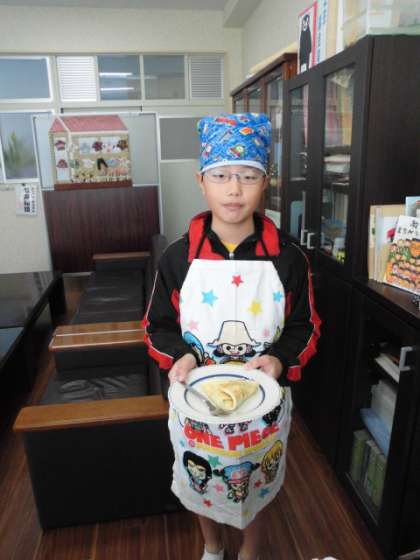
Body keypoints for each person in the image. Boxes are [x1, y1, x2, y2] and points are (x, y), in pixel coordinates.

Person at [143, 113, 321, 560]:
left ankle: (251, 551)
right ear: (201, 182)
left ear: (266, 183)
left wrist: (279, 359)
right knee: (198, 476)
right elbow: (156, 325)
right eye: (221, 175)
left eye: (248, 176)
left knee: (257, 480)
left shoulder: (289, 259)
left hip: (264, 406)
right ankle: (212, 546)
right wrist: (181, 356)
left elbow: (305, 326)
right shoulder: (178, 258)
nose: (234, 189)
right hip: (196, 402)